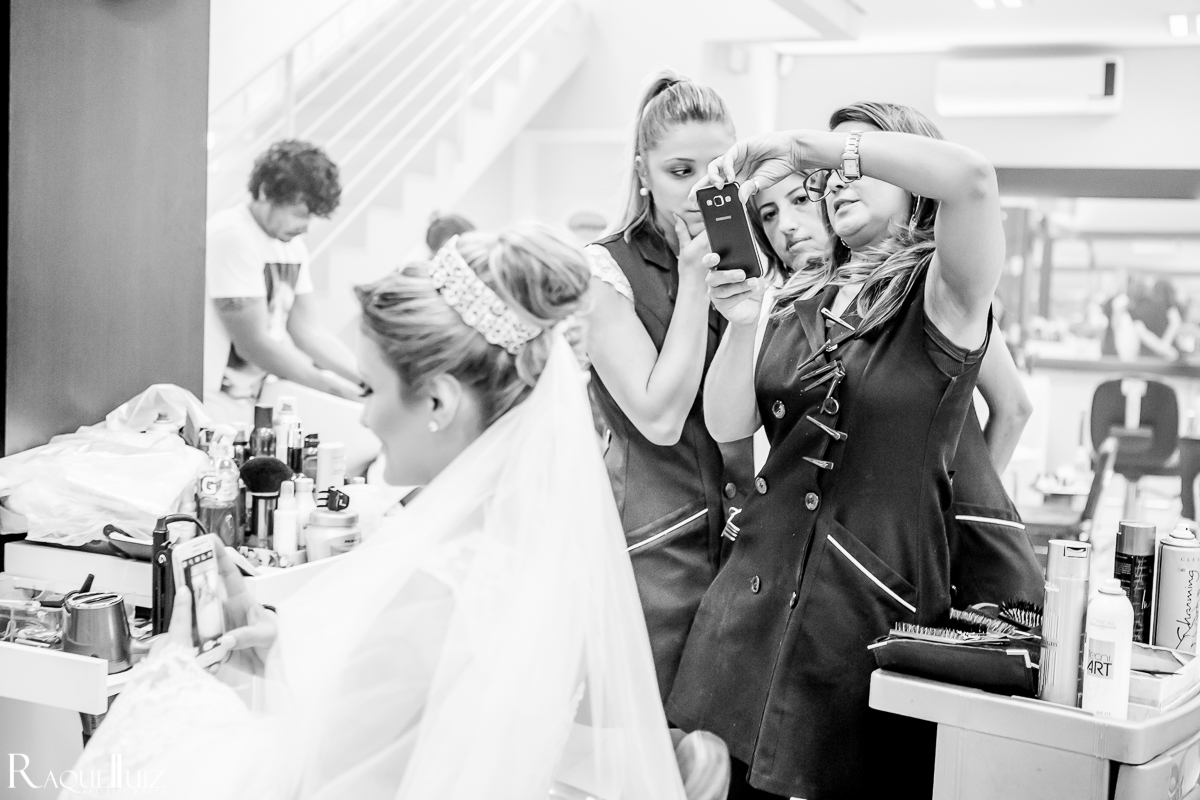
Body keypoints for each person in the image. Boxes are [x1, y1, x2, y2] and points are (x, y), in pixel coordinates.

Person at [68, 224, 726, 799]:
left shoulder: (434, 594)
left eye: (371, 387)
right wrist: (280, 653)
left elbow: (306, 784)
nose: (364, 416)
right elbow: (418, 725)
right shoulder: (532, 555)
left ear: (437, 401)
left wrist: (176, 678)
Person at [667, 101, 1011, 799]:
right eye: (828, 177)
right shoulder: (806, 292)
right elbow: (731, 426)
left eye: (859, 163)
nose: (837, 183)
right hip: (754, 594)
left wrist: (810, 147)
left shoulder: (945, 293)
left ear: (914, 185)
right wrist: (740, 322)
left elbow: (973, 179)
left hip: (864, 603)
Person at [749, 165, 1040, 607]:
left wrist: (942, 507)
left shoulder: (934, 290)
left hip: (931, 559)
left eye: (801, 200)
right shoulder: (796, 307)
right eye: (768, 215)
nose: (786, 227)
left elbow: (1013, 406)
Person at [580, 72, 753, 703]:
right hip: (653, 544)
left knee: (723, 739)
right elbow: (659, 417)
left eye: (719, 171)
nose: (703, 190)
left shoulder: (757, 260)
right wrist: (695, 279)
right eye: (681, 171)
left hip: (746, 543)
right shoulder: (604, 269)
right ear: (643, 171)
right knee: (652, 728)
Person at [204, 140, 364, 425]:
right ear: (265, 191)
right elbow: (252, 344)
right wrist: (335, 389)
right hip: (218, 400)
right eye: (300, 213)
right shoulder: (232, 236)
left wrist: (366, 379)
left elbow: (308, 332)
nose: (306, 227)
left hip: (255, 395)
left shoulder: (291, 247)